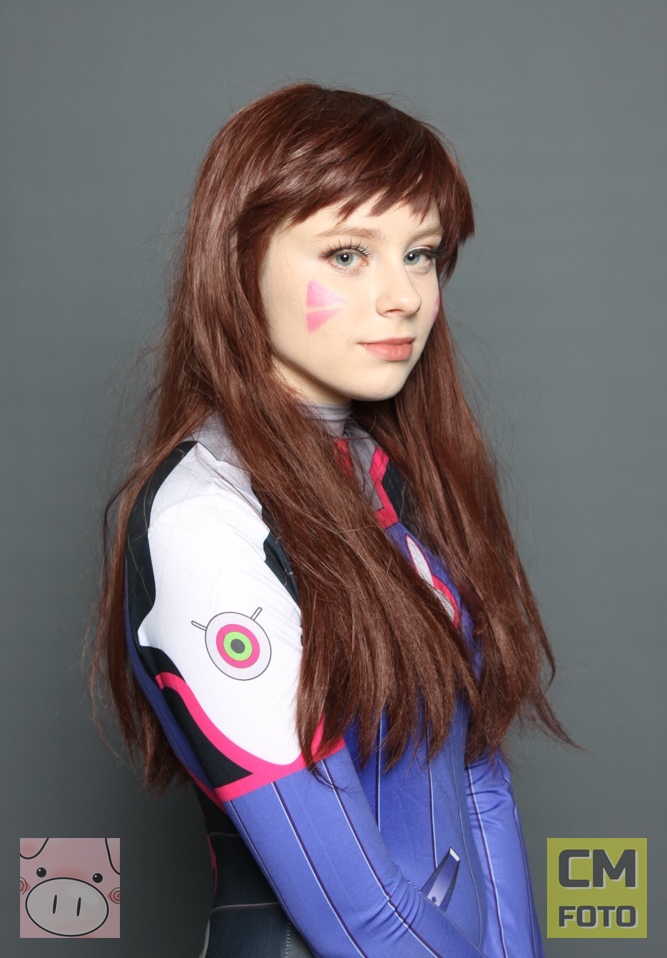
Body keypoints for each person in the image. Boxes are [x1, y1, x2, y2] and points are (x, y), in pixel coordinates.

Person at [93, 81, 575, 957]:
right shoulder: (204, 519)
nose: (403, 297)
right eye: (348, 254)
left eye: (420, 254)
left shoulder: (393, 485)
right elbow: (354, 918)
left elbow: (477, 784)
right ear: (237, 262)